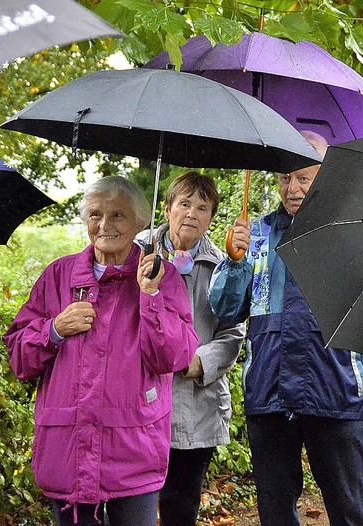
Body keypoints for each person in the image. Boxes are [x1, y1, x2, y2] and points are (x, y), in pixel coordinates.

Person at [208, 130, 363, 526]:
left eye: (303, 178)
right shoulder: (256, 234)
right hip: (269, 389)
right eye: (284, 179)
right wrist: (235, 263)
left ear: (325, 177)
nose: (291, 188)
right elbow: (226, 311)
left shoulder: (352, 235)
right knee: (276, 512)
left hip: (336, 386)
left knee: (350, 509)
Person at [3, 176, 198, 526]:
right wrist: (53, 330)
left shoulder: (161, 277)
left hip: (133, 449)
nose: (104, 225)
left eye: (118, 216)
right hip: (68, 449)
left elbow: (173, 358)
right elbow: (19, 358)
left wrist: (150, 297)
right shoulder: (58, 276)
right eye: (95, 215)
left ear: (140, 222)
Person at [137, 171, 246, 526]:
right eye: (184, 204)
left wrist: (197, 363)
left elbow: (232, 332)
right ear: (167, 209)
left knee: (181, 504)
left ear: (211, 218)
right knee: (131, 502)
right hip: (139, 398)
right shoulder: (135, 251)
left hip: (196, 403)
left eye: (202, 208)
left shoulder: (224, 264)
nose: (191, 214)